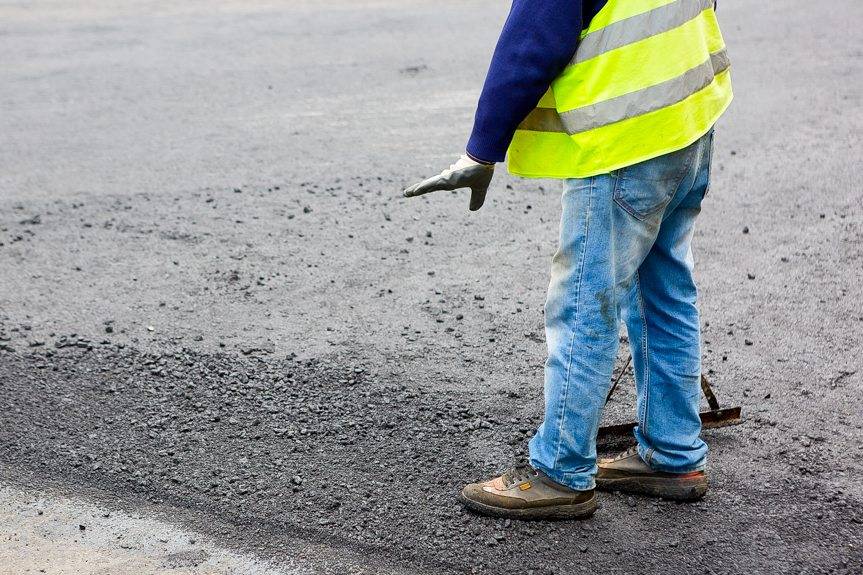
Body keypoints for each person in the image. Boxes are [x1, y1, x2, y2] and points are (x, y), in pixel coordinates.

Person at [403, 0, 732, 520]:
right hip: (688, 116)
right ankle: (673, 452)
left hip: (623, 138)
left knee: (584, 303)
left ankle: (561, 470)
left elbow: (534, 40)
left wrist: (481, 150)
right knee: (665, 290)